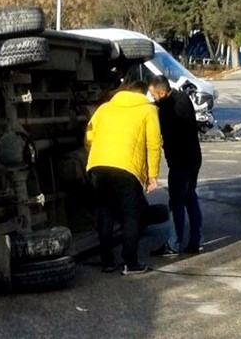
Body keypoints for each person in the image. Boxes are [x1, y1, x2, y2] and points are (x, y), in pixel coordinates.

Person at [85, 80, 162, 275]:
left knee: (106, 213)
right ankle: (130, 262)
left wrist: (95, 155)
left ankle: (107, 262)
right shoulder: (148, 110)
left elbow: (89, 135)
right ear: (143, 94)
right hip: (127, 168)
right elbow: (153, 144)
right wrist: (152, 175)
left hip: (98, 165)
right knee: (131, 215)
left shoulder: (104, 108)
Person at [148, 75, 203, 257]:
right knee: (190, 197)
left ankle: (173, 244)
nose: (152, 98)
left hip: (180, 162)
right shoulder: (183, 98)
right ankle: (196, 241)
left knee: (176, 203)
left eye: (153, 95)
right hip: (194, 158)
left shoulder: (166, 108)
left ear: (162, 92)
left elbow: (160, 136)